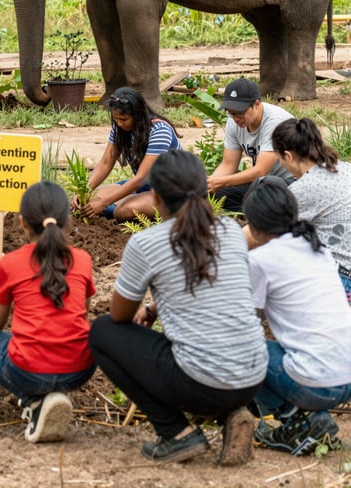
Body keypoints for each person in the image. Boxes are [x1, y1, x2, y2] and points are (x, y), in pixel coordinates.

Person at [88, 150, 267, 465]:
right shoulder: (229, 231)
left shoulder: (147, 244)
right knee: (208, 348)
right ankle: (232, 413)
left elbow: (119, 316)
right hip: (252, 375)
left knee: (103, 332)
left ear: (154, 197)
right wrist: (156, 307)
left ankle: (175, 433)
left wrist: (148, 306)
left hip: (203, 382)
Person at [0, 181, 97, 443]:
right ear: (67, 221)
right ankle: (53, 396)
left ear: (22, 222)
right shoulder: (82, 259)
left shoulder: (11, 263)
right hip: (80, 368)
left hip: (29, 369)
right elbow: (82, 313)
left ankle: (35, 401)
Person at [244, 177, 351, 456]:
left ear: (253, 226)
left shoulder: (261, 260)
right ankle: (309, 417)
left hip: (318, 386)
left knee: (241, 348)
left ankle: (295, 419)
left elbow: (245, 323)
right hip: (347, 378)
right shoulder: (319, 249)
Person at [270, 117, 351, 302]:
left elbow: (262, 231)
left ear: (288, 156)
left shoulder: (303, 189)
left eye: (279, 158)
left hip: (343, 279)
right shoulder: (345, 168)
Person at [75, 87, 181, 221]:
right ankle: (120, 204)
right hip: (145, 186)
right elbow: (106, 163)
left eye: (124, 119)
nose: (119, 123)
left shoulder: (159, 131)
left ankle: (115, 209)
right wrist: (84, 191)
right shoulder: (120, 128)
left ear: (137, 115)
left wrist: (104, 203)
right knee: (89, 200)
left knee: (124, 211)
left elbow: (141, 177)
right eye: (116, 119)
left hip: (168, 191)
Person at [207, 78, 293, 213]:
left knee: (267, 185)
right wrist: (210, 185)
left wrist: (222, 182)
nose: (236, 118)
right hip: (262, 185)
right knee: (216, 194)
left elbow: (260, 171)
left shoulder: (275, 122)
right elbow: (228, 165)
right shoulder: (233, 122)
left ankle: (261, 214)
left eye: (240, 112)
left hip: (291, 182)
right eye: (231, 112)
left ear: (257, 104)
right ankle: (258, 213)